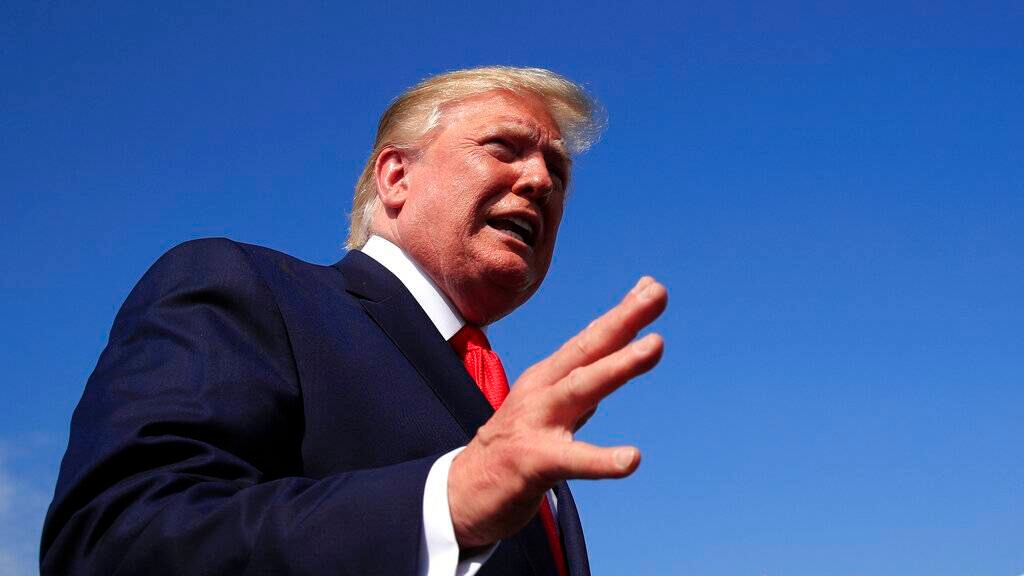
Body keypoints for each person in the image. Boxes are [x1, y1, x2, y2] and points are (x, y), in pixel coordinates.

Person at [41, 66, 668, 576]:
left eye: (558, 172)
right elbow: (114, 542)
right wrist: (445, 504)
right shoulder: (246, 288)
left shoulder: (514, 419)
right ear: (396, 177)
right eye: (504, 148)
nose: (539, 181)